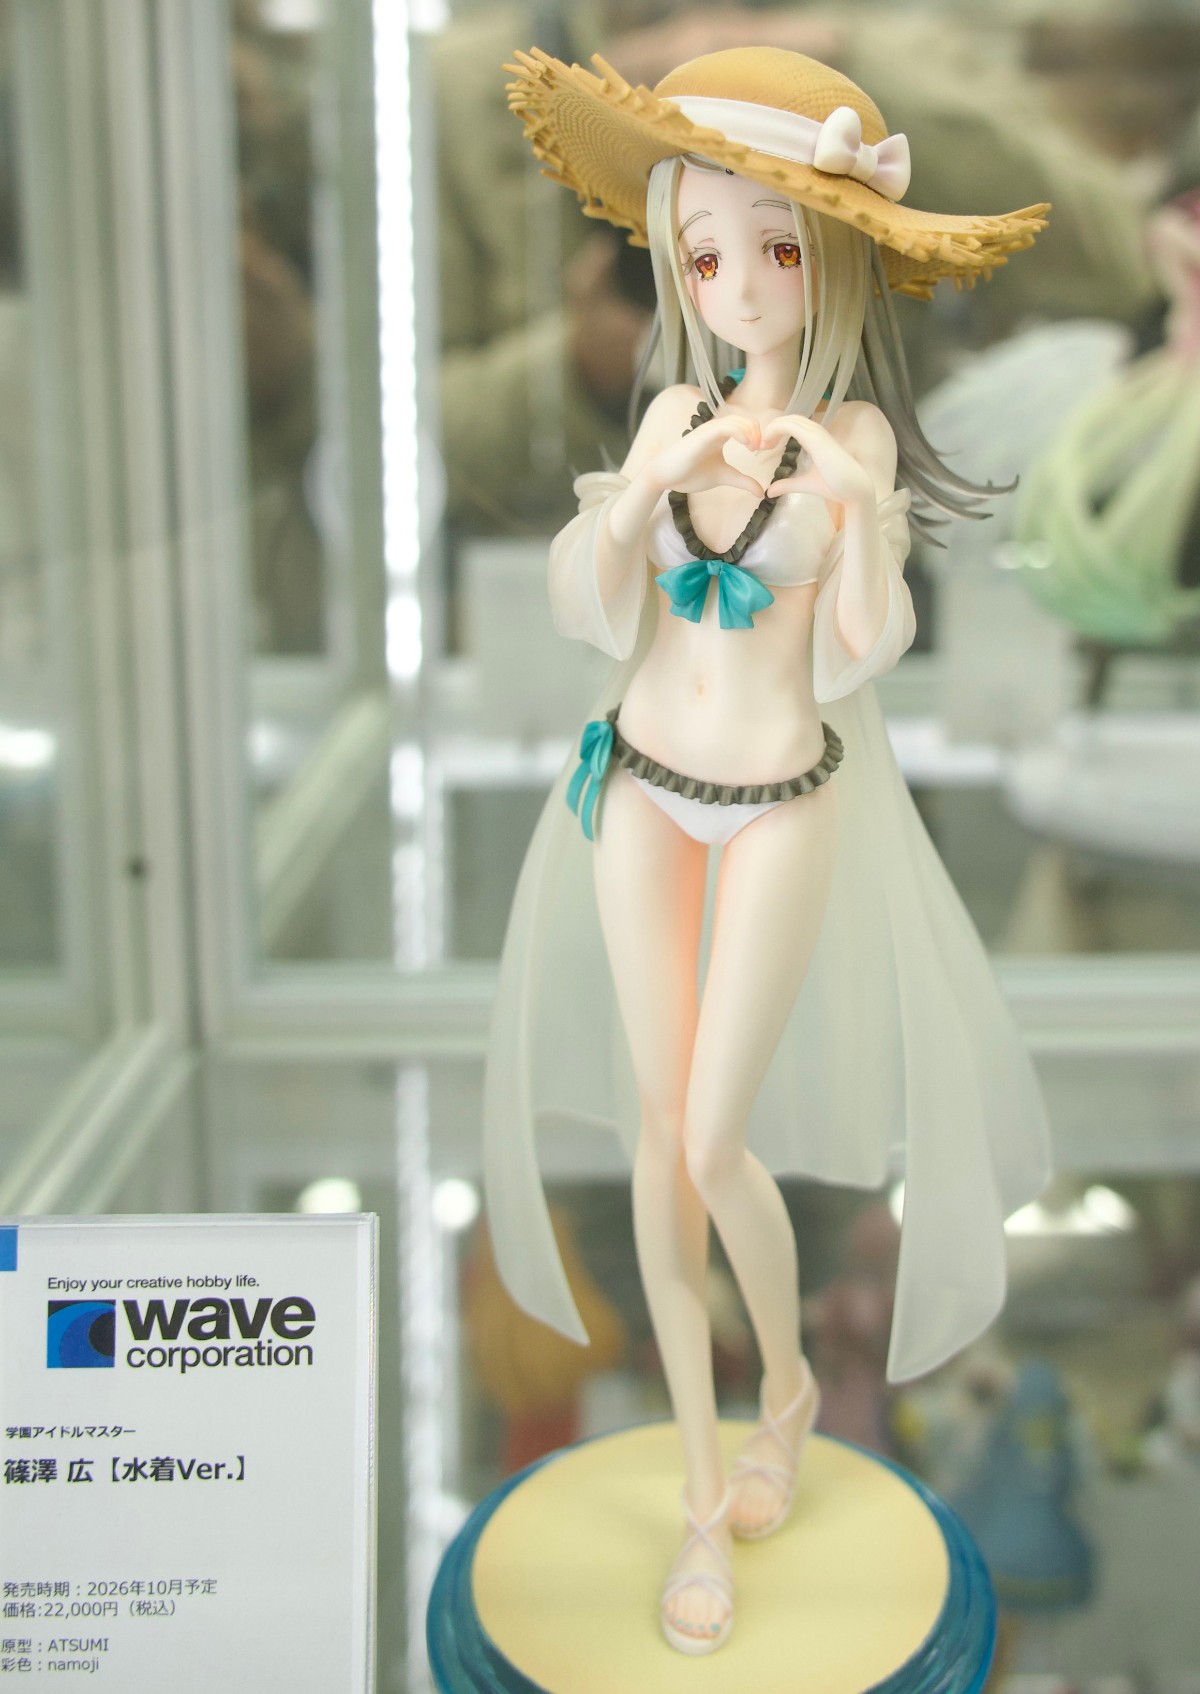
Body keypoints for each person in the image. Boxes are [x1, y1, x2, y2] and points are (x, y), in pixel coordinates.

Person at [483, 45, 1053, 1655]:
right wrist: (641, 492)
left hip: (783, 798)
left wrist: (856, 511)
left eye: (778, 248)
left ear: (837, 260)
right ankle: (697, 1487)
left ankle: (789, 1384)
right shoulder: (673, 409)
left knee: (716, 1134)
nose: (737, 285)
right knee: (661, 1139)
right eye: (705, 252)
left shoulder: (852, 434)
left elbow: (866, 650)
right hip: (639, 786)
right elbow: (592, 604)